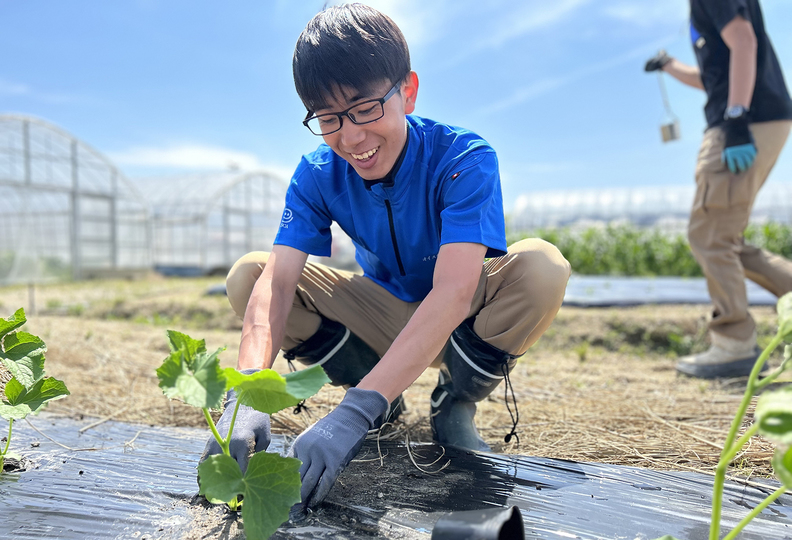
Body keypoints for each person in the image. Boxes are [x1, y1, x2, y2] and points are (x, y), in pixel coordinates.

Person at [202, 3, 571, 510]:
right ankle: (382, 395)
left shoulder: (462, 157)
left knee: (542, 267)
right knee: (251, 275)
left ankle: (453, 402)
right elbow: (280, 283)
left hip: (459, 317)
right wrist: (247, 389)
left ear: (408, 92)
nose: (351, 137)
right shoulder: (317, 172)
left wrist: (352, 413)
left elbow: (456, 290)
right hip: (382, 312)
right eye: (328, 118)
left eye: (365, 108)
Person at [644, 0, 792, 378]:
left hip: (745, 123)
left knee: (709, 235)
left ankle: (733, 343)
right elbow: (712, 77)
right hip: (757, 119)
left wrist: (736, 118)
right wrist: (669, 66)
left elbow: (744, 42)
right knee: (724, 238)